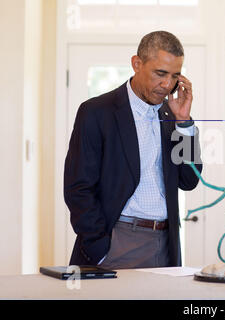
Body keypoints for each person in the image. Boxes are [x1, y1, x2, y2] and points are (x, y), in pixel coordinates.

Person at [64, 31, 202, 269]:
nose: (167, 85)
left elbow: (189, 180)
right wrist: (99, 248)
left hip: (166, 245)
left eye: (174, 76)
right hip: (117, 243)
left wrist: (184, 123)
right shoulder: (96, 112)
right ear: (137, 64)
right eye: (160, 74)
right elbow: (78, 187)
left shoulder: (172, 115)